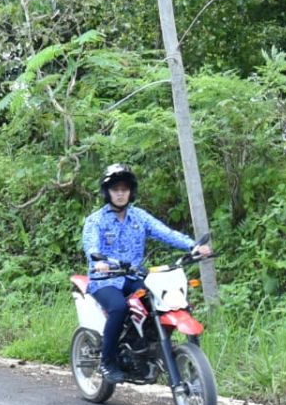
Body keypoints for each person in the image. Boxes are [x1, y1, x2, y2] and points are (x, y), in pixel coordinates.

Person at [81, 163, 212, 384]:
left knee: (159, 303)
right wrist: (99, 260)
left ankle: (146, 349)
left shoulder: (139, 217)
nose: (120, 193)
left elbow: (166, 233)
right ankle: (107, 361)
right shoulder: (96, 220)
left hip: (133, 276)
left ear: (131, 191)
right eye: (115, 189)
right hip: (105, 280)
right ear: (108, 192)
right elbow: (91, 245)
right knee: (119, 307)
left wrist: (193, 247)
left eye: (124, 188)